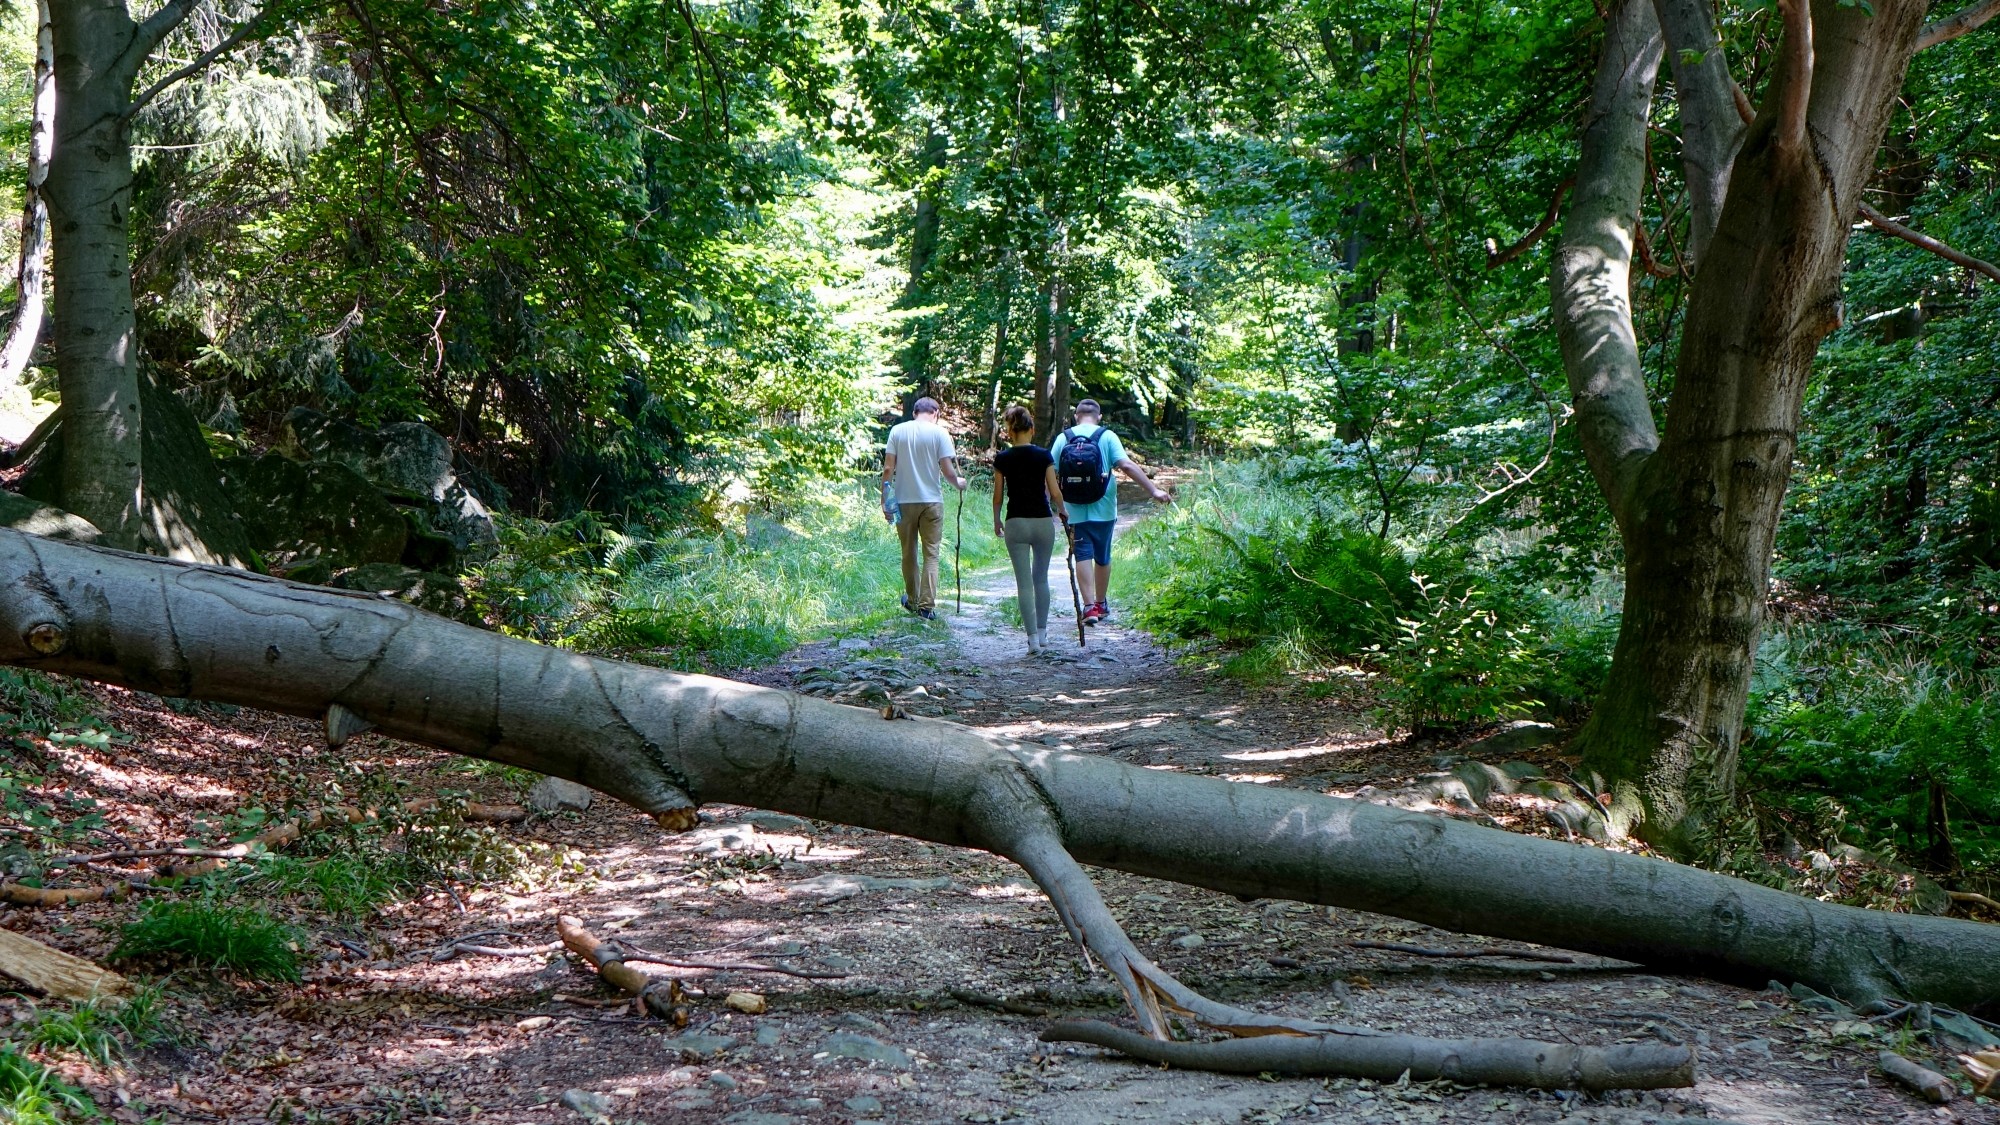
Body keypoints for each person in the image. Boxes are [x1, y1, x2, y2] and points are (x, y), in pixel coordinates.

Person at [1048, 399, 1169, 625]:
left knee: (1082, 552)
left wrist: (1050, 503)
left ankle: (1088, 607)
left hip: (1073, 507)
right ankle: (1101, 603)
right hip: (1104, 507)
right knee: (1102, 556)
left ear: (1076, 416)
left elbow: (1049, 471)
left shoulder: (1064, 438)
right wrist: (1153, 490)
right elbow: (1127, 466)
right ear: (1099, 416)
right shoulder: (1107, 436)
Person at [880, 397, 966, 621]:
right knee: (932, 554)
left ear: (914, 413)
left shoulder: (897, 431)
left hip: (903, 501)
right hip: (931, 502)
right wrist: (959, 483)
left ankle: (913, 600)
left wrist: (885, 500)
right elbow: (947, 471)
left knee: (908, 552)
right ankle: (926, 608)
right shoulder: (940, 433)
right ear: (936, 413)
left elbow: (889, 468)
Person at [991, 404, 1067, 654]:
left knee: (1023, 583)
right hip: (1043, 522)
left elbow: (998, 496)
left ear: (1009, 432)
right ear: (1032, 429)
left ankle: (1033, 640)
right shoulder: (1044, 456)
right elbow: (1054, 491)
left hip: (1016, 523)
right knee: (1040, 578)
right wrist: (1063, 511)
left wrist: (996, 519)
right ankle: (1044, 633)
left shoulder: (1002, 459)